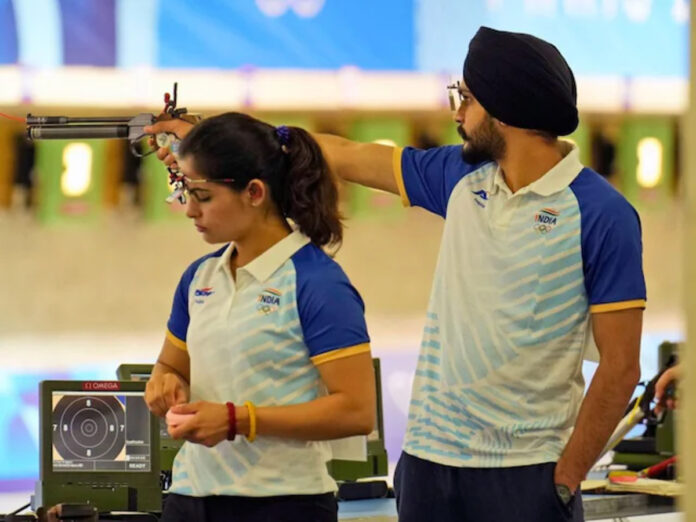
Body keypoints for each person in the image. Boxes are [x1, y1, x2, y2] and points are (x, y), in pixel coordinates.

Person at [146, 26, 646, 522]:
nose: (456, 112)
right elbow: (344, 154)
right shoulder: (461, 176)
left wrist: (567, 476)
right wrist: (211, 136)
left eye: (466, 98)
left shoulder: (602, 214)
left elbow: (621, 365)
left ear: (503, 107)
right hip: (428, 465)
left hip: (525, 471)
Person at [143, 112, 376, 522]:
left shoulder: (317, 283)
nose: (190, 211)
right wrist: (164, 383)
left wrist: (238, 420)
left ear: (254, 192)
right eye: (186, 193)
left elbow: (356, 411)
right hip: (190, 496)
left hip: (283, 504)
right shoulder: (199, 277)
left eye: (203, 196)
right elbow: (170, 364)